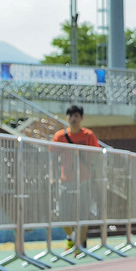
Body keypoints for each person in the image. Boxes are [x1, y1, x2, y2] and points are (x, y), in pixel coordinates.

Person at [52, 104, 101, 252]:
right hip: (65, 181)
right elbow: (52, 158)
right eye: (71, 115)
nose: (73, 118)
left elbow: (97, 155)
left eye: (76, 116)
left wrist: (97, 175)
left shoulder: (88, 135)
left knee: (84, 214)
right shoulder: (60, 136)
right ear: (67, 117)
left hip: (84, 180)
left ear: (81, 118)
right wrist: (52, 176)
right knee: (61, 214)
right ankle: (71, 237)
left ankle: (80, 246)